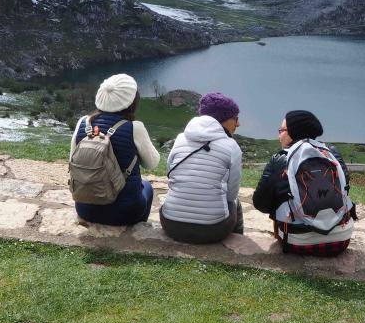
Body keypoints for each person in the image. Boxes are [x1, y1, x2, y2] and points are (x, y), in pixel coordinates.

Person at [252, 110, 354, 256]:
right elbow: (345, 190)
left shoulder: (280, 159)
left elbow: (260, 203)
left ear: (293, 132)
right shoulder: (331, 153)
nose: (279, 135)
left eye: (281, 130)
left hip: (296, 242)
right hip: (341, 240)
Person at [70, 74, 159, 226]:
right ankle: (137, 227)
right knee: (147, 187)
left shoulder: (84, 122)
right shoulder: (134, 128)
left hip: (85, 209)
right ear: (132, 101)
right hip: (125, 213)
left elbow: (72, 159)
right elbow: (152, 164)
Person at [160, 92, 244, 244]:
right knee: (235, 203)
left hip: (170, 225)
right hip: (213, 230)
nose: (238, 124)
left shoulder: (180, 138)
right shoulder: (232, 147)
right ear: (223, 120)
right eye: (235, 119)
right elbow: (231, 196)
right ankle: (238, 244)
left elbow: (170, 174)